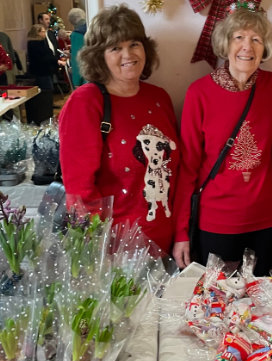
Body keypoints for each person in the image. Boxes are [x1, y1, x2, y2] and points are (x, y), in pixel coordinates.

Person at [172, 8, 272, 275]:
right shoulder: (199, 93)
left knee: (264, 304)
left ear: (264, 48)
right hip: (216, 222)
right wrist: (181, 232)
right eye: (238, 37)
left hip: (266, 219)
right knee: (217, 304)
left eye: (256, 39)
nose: (247, 47)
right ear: (225, 44)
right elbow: (188, 169)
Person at [58, 4, 179, 252]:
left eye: (134, 44)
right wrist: (97, 250)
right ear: (99, 56)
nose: (128, 54)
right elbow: (79, 192)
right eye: (115, 48)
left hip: (165, 242)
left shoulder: (159, 98)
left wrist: (181, 234)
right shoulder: (86, 103)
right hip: (114, 249)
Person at [26, 23, 61, 124]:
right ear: (37, 33)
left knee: (48, 92)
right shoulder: (35, 44)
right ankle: (45, 116)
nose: (44, 33)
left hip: (44, 71)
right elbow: (46, 57)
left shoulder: (39, 43)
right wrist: (55, 60)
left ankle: (47, 114)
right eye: (43, 31)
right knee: (46, 93)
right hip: (41, 72)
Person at [67, 8, 87, 88]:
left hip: (85, 78)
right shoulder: (91, 27)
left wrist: (76, 82)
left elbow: (77, 60)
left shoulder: (77, 34)